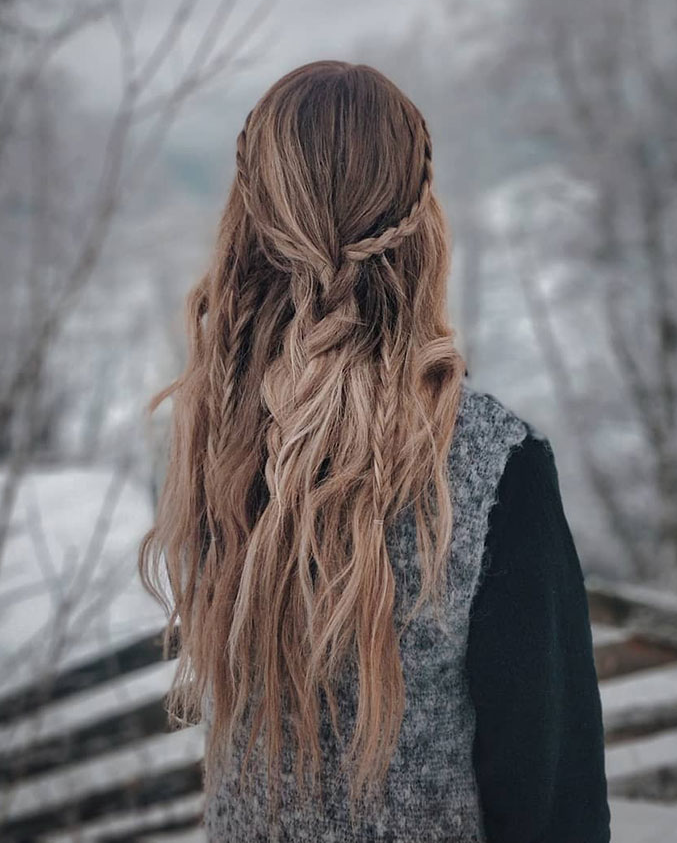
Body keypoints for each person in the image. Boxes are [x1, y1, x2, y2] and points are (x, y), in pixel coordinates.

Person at [139, 60, 611, 842]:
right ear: (422, 223)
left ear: (247, 225)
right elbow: (554, 799)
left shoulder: (215, 448)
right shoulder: (495, 470)